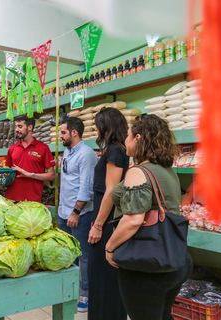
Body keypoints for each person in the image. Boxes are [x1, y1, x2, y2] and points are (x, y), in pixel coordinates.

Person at [105, 114, 193, 320]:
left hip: (146, 265)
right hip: (174, 259)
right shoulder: (166, 169)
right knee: (162, 315)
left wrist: (110, 247)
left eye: (127, 136)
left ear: (137, 138)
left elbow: (134, 219)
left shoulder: (139, 172)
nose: (124, 141)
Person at [87, 107, 129, 320]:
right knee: (108, 276)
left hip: (107, 221)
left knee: (101, 274)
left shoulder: (114, 151)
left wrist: (97, 225)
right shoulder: (119, 150)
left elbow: (111, 190)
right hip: (110, 218)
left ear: (106, 127)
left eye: (98, 124)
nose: (95, 129)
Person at [57, 117, 98, 313]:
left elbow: (86, 188)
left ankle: (86, 294)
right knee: (67, 253)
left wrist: (75, 212)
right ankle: (71, 291)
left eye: (63, 132)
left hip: (79, 215)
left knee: (84, 256)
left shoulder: (87, 155)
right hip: (64, 213)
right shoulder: (67, 152)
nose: (60, 136)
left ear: (74, 132)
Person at [5, 115, 55, 202]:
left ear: (30, 127)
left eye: (20, 126)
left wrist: (31, 175)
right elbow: (8, 173)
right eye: (16, 126)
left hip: (32, 201)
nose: (16, 130)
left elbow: (51, 176)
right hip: (11, 199)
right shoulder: (12, 149)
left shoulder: (43, 148)